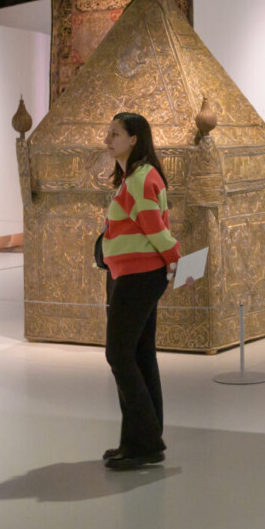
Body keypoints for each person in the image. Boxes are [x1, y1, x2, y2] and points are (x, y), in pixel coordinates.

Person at [97, 112, 192, 471]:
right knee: (139, 355)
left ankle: (145, 442)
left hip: (138, 276)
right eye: (108, 133)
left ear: (134, 139)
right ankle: (139, 440)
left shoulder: (139, 178)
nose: (108, 140)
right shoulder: (134, 177)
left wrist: (176, 259)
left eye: (115, 134)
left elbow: (155, 229)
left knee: (120, 355)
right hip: (135, 274)